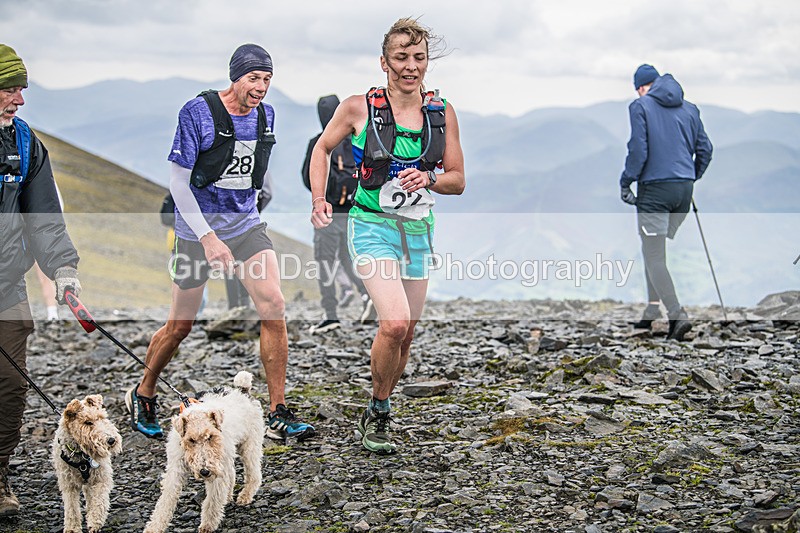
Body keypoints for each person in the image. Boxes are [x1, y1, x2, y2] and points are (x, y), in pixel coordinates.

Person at [125, 44, 314, 442]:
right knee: (181, 325)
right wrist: (208, 238)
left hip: (245, 225)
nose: (261, 87)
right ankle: (143, 393)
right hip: (196, 232)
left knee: (274, 304)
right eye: (253, 78)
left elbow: (256, 171)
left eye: (267, 79)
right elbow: (178, 183)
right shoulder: (197, 113)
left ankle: (278, 411)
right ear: (235, 77)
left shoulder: (266, 114)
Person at [310, 18, 465, 454]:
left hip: (417, 229)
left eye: (419, 58)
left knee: (407, 334)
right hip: (371, 223)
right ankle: (378, 411)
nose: (410, 66)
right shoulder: (358, 107)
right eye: (401, 58)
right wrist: (320, 198)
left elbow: (457, 179)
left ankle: (381, 401)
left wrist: (429, 178)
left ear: (427, 62)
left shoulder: (441, 112)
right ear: (384, 62)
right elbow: (322, 149)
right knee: (393, 322)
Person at [0, 44, 82, 516]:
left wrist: (63, 270)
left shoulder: (25, 143)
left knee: (10, 384)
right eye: (10, 89)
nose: (20, 100)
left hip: (8, 287)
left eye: (21, 90)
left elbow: (44, 217)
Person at [620, 64, 712, 341]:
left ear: (643, 86)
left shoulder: (640, 107)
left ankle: (676, 315)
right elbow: (705, 150)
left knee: (654, 254)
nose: (639, 93)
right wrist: (689, 177)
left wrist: (626, 181)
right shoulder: (691, 108)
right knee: (653, 250)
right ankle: (651, 310)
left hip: (655, 191)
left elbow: (638, 148)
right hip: (683, 192)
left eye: (639, 88)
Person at [302, 95, 373, 334]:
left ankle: (330, 314)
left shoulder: (319, 142)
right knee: (348, 258)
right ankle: (366, 296)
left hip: (328, 211)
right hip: (353, 211)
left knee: (325, 263)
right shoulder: (354, 138)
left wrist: (319, 197)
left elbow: (307, 178)